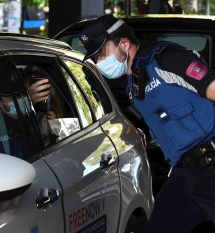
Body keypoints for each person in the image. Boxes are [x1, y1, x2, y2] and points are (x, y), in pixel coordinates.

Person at [78, 14, 215, 232]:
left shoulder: (166, 59)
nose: (98, 63)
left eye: (101, 55)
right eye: (95, 58)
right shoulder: (133, 84)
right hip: (186, 172)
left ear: (124, 43)